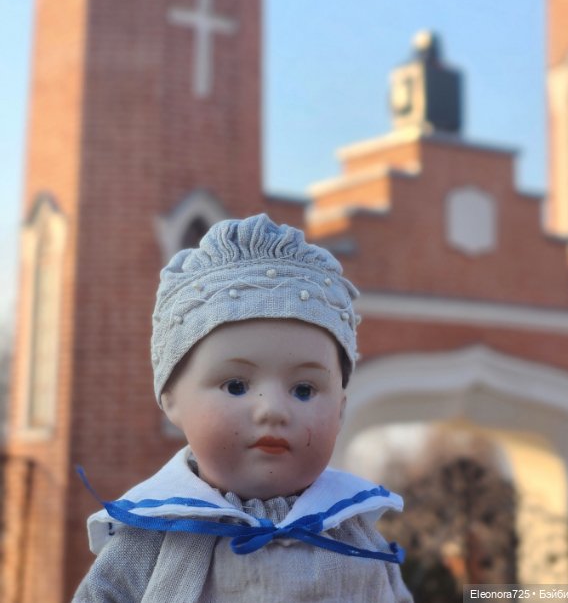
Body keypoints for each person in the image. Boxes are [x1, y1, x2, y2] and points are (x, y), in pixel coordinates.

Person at [72, 213, 413, 602]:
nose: (272, 411)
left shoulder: (352, 533)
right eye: (236, 386)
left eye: (304, 389)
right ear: (170, 399)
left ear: (340, 409)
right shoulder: (153, 534)